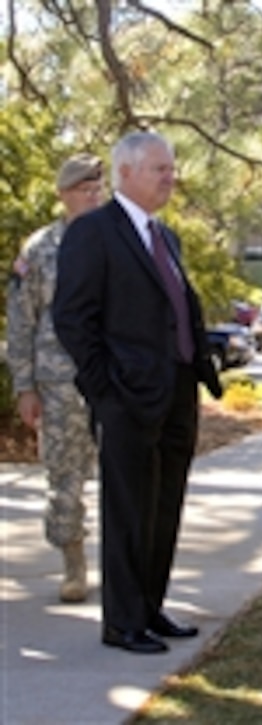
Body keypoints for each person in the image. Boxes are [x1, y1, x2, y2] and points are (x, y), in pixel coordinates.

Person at [52, 131, 224, 654]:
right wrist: (104, 389)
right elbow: (72, 318)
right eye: (159, 170)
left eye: (171, 169)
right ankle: (122, 623)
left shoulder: (165, 236)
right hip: (126, 395)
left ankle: (150, 609)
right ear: (125, 173)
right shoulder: (93, 232)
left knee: (164, 505)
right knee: (128, 510)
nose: (170, 177)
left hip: (174, 391)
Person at [6, 153, 104, 603]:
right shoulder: (40, 249)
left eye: (97, 188)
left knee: (125, 475)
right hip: (59, 383)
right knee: (64, 477)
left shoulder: (116, 240)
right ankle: (73, 562)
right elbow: (21, 321)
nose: (92, 196)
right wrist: (24, 386)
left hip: (112, 381)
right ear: (64, 195)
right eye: (83, 190)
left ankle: (127, 567)